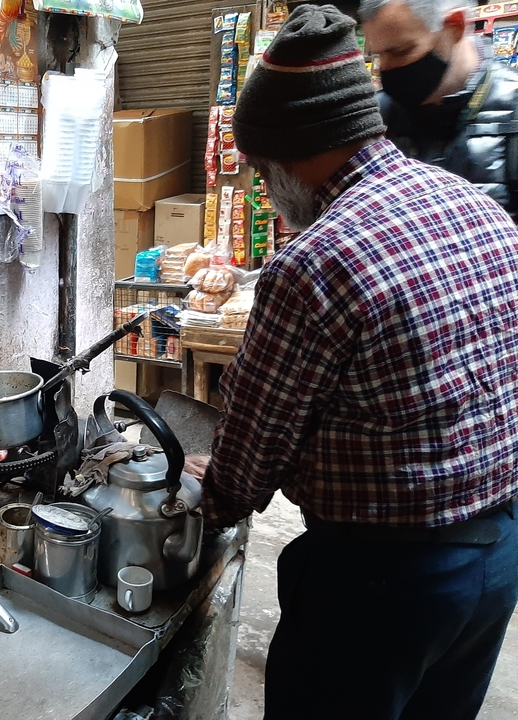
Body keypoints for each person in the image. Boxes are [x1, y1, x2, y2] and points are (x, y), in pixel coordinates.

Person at [188, 5, 518, 719]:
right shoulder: (480, 209)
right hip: (497, 560)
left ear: (293, 153)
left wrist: (206, 502)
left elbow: (247, 459)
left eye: (264, 169)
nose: (268, 191)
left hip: (381, 585)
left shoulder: (314, 264)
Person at [359, 0, 518, 222]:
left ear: (455, 26)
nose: (385, 69)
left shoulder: (511, 111)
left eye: (401, 52)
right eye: (378, 55)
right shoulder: (379, 117)